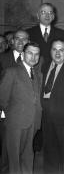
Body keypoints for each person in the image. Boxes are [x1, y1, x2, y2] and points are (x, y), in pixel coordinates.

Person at [0, 42, 42, 173]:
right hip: (16, 123)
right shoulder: (11, 72)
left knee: (28, 156)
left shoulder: (37, 74)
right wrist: (13, 116)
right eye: (30, 53)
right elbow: (2, 98)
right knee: (14, 160)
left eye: (36, 54)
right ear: (22, 55)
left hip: (32, 122)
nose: (33, 57)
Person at [41, 39, 64, 173]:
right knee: (49, 153)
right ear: (50, 51)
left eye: (61, 50)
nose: (57, 53)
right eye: (54, 49)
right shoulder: (45, 67)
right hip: (47, 116)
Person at [0, 30, 30, 173]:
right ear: (12, 41)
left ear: (28, 42)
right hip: (5, 114)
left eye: (24, 39)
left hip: (24, 116)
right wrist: (7, 110)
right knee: (5, 153)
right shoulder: (2, 58)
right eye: (17, 38)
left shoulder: (35, 59)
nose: (20, 42)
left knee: (22, 153)